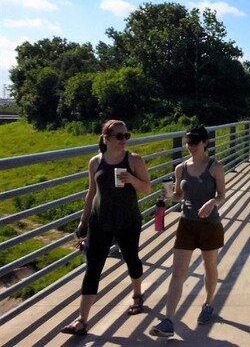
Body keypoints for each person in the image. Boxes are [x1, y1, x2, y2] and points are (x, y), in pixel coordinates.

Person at [61, 120, 151, 336]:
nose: (123, 140)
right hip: (99, 221)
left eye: (126, 136)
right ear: (106, 138)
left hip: (127, 220)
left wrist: (131, 179)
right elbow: (91, 193)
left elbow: (147, 188)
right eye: (119, 136)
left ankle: (137, 295)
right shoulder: (95, 162)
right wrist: (83, 222)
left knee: (131, 258)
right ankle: (82, 320)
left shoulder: (134, 160)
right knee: (93, 268)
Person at [150, 125, 226, 337]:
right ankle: (168, 321)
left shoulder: (214, 167)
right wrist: (167, 196)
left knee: (209, 266)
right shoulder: (181, 169)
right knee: (178, 273)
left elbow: (222, 195)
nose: (190, 146)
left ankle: (208, 304)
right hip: (187, 224)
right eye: (188, 142)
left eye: (195, 142)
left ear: (205, 143)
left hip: (210, 224)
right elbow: (178, 195)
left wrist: (212, 202)